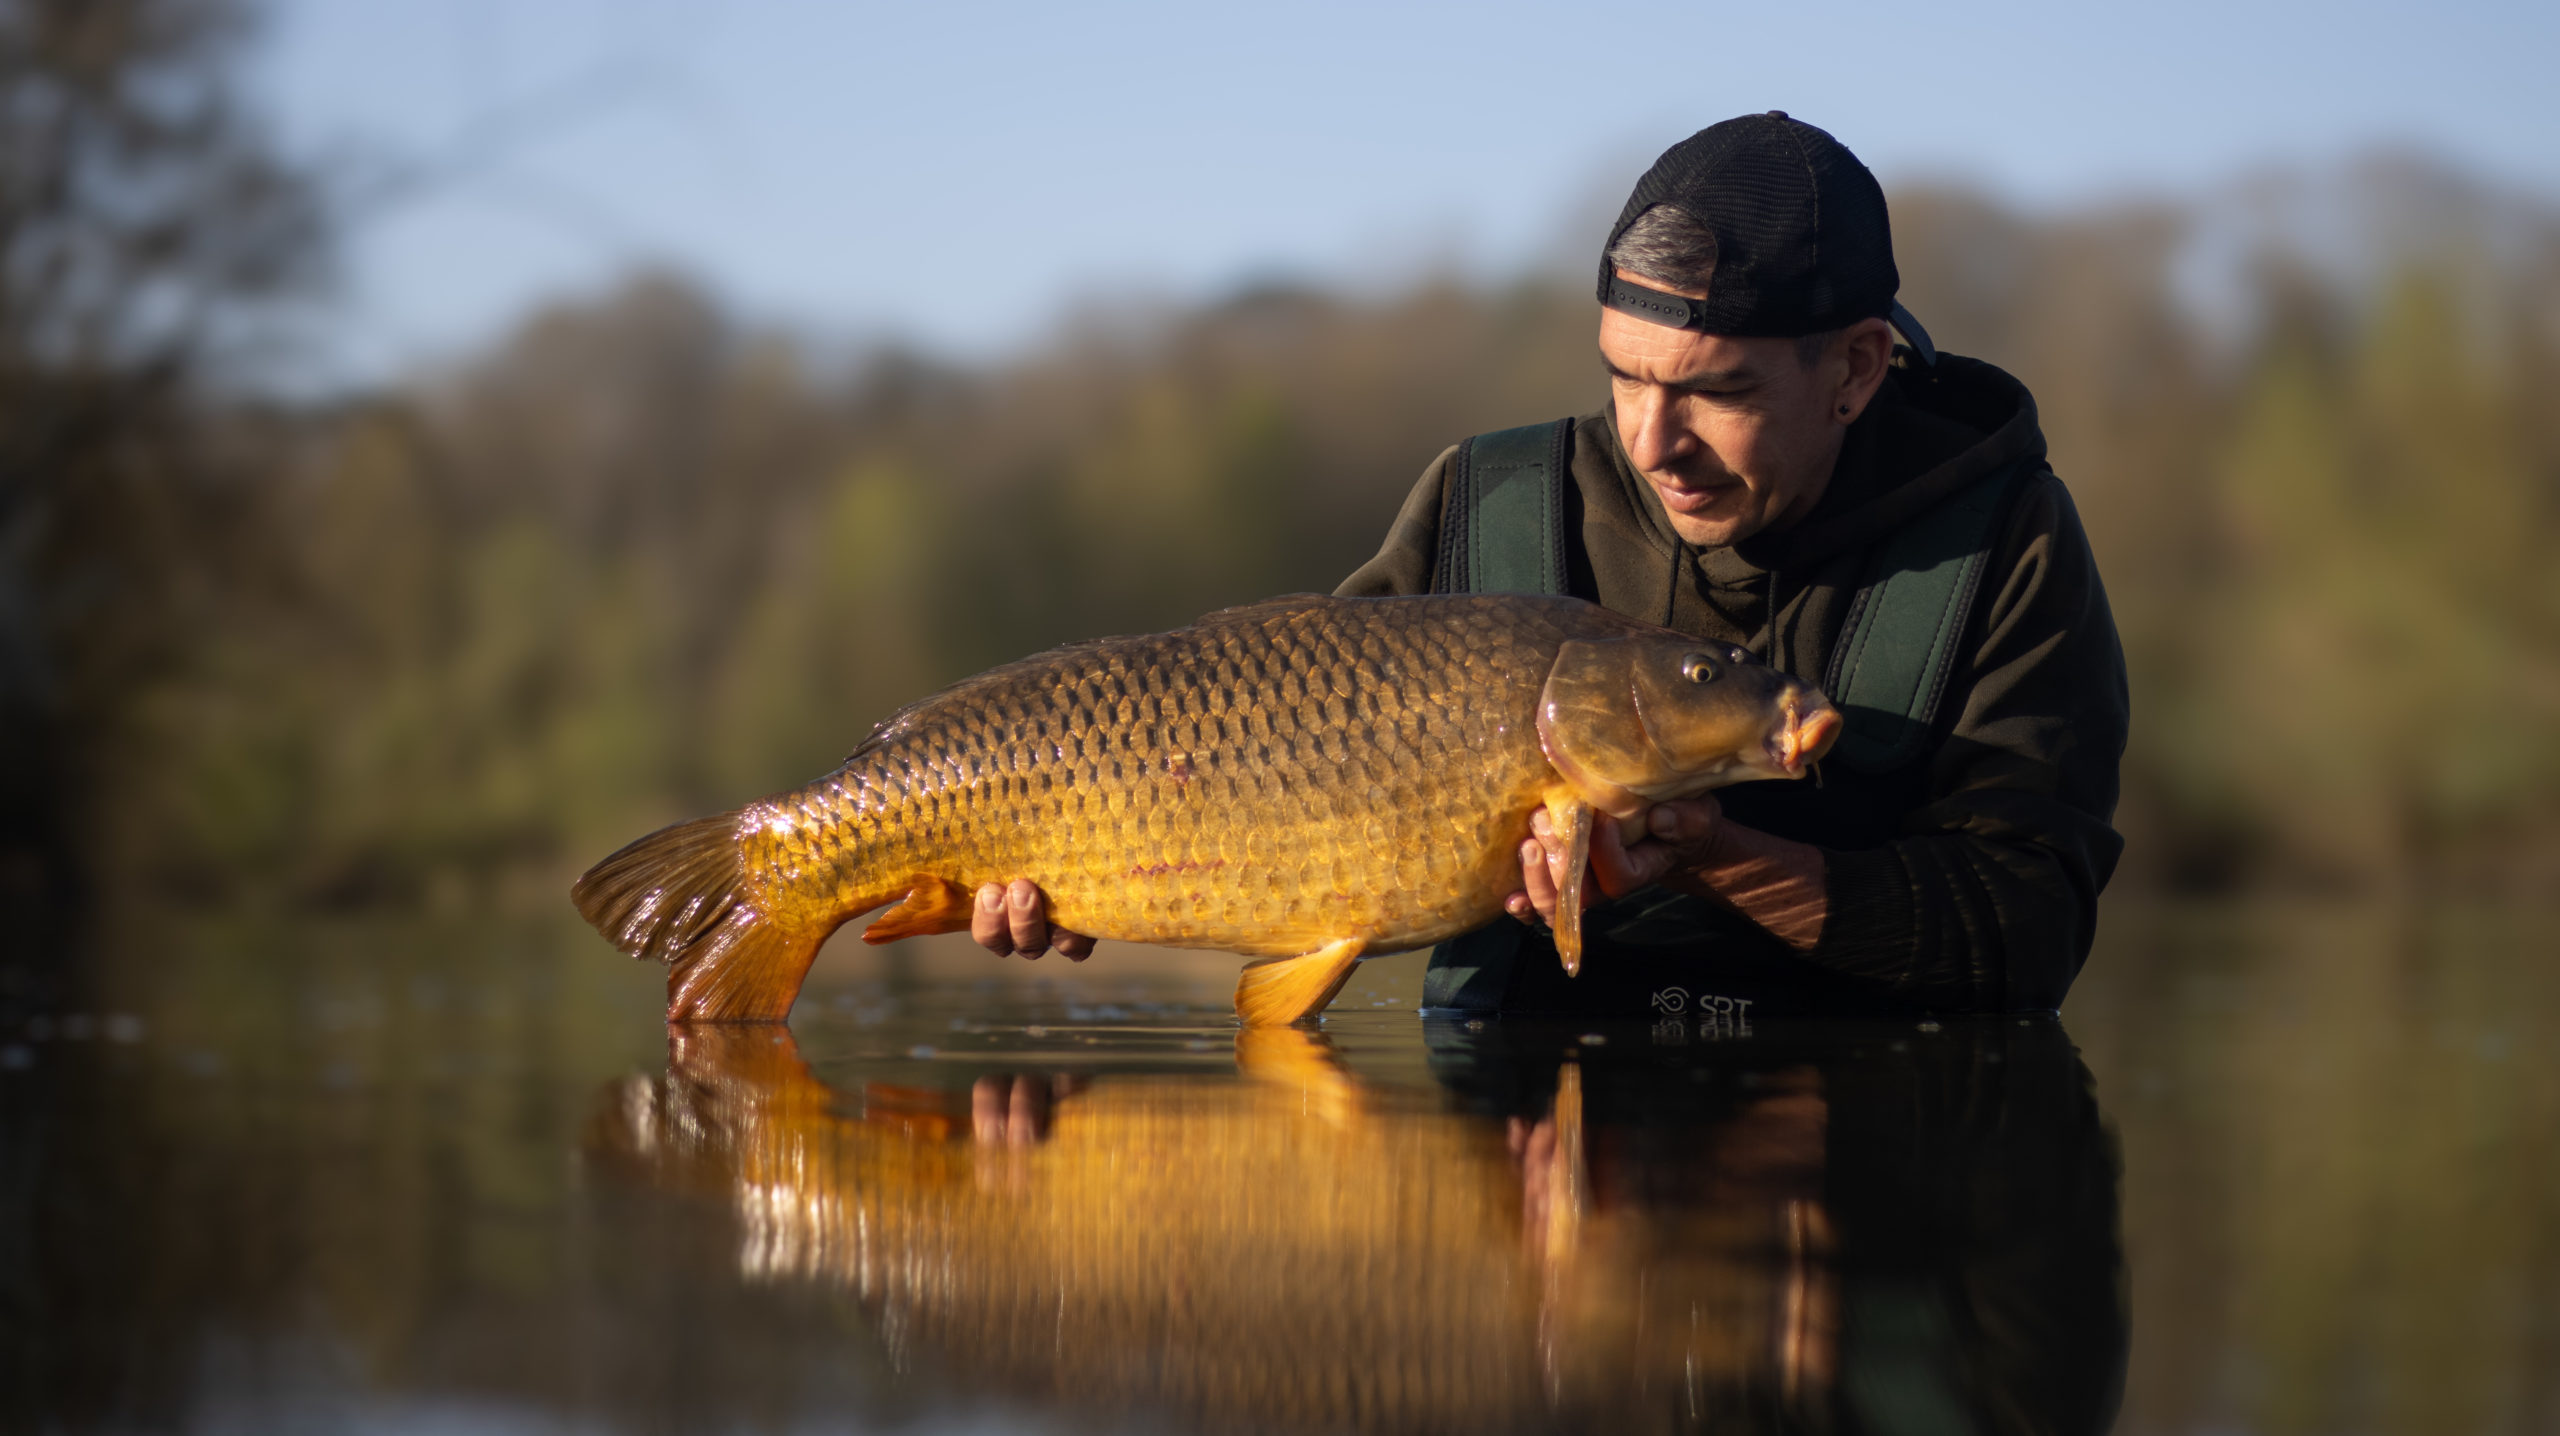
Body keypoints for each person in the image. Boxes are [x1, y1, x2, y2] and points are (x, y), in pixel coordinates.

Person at [972, 113, 2129, 1017]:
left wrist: (1713, 856)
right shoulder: (1487, 503)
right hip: (1510, 1130)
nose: (1651, 441)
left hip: (1884, 1151)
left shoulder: (2004, 544)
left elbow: (2025, 937)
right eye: (1625, 375)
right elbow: (1260, 753)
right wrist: (1076, 856)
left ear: (1859, 368)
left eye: (1717, 391)